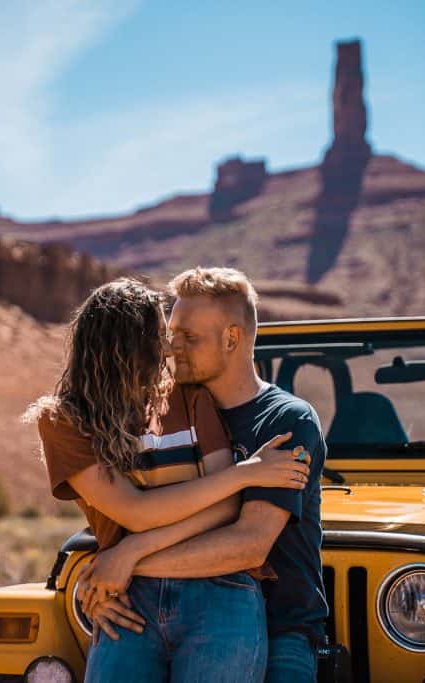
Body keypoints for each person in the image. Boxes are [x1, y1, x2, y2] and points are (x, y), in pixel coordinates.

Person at [26, 277, 311, 683]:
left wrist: (124, 558)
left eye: (178, 336)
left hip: (218, 588)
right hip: (127, 601)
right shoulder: (63, 421)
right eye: (162, 335)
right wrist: (242, 475)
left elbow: (227, 510)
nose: (169, 348)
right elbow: (136, 512)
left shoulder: (190, 397)